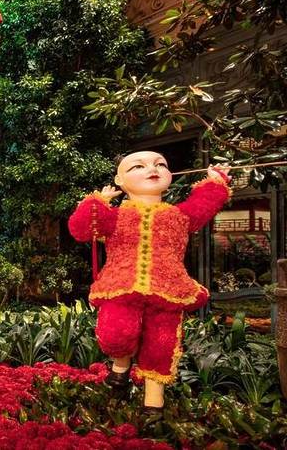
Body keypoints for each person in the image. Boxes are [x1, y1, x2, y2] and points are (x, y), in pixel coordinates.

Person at [68, 151, 230, 409]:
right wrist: (97, 202)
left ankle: (153, 402)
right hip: (120, 287)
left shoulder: (180, 215)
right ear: (120, 181)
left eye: (160, 164)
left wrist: (216, 180)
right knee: (115, 334)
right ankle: (120, 367)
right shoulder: (116, 216)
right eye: (138, 166)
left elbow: (205, 203)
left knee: (162, 344)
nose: (152, 169)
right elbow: (81, 229)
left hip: (169, 290)